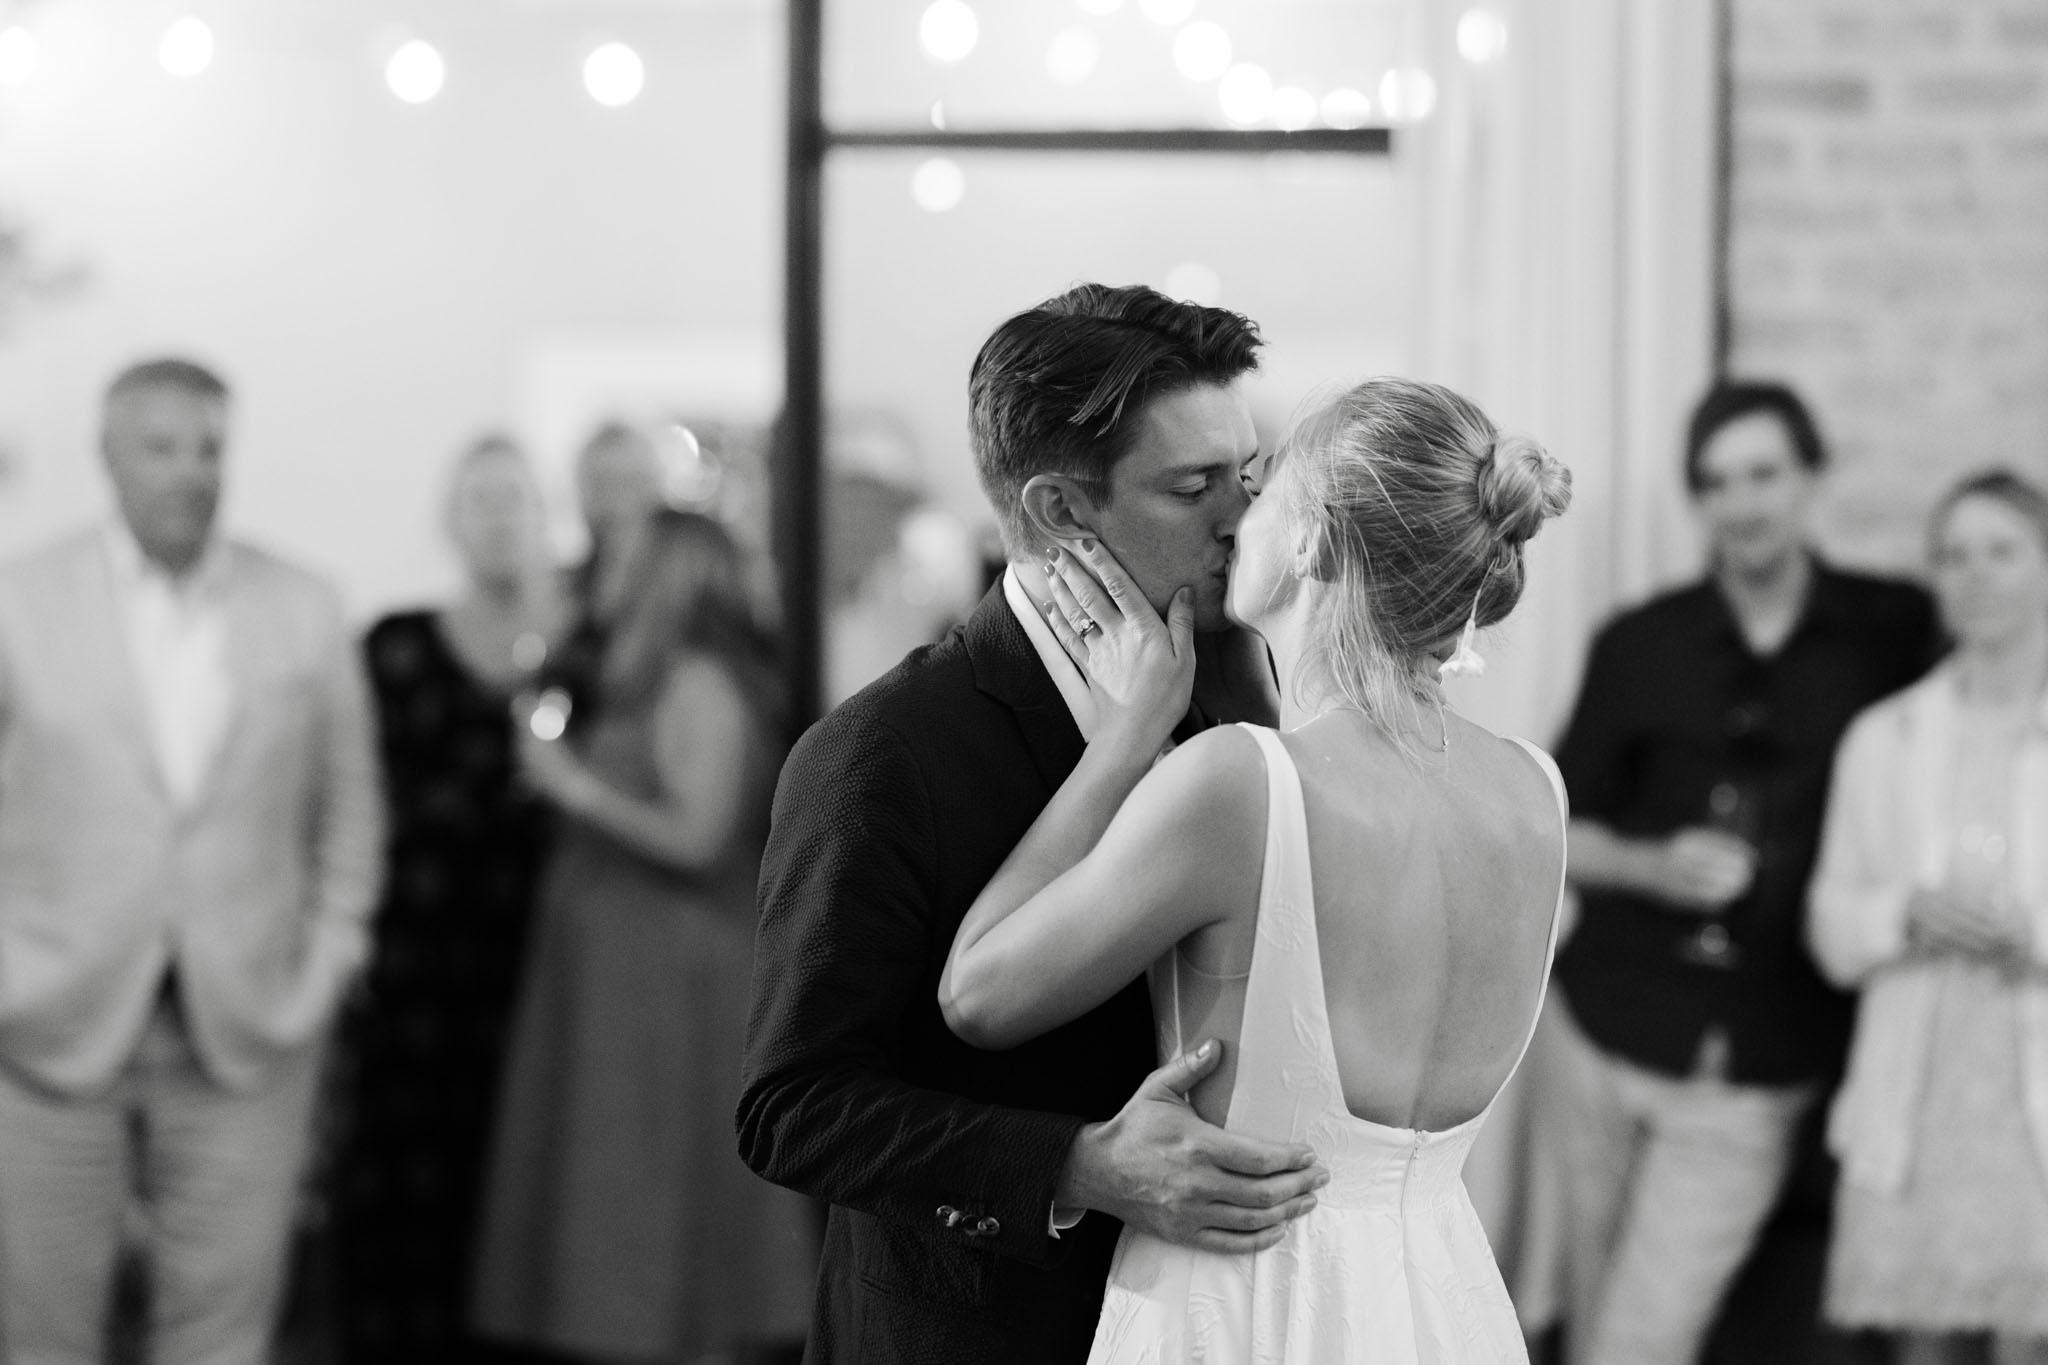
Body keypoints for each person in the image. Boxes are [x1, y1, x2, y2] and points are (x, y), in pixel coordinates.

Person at [739, 283, 1328, 1365]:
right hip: (965, 1333)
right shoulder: (881, 754)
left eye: (1243, 478)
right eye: (1191, 487)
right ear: (1061, 512)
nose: (1239, 520)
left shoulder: (1232, 708)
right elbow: (793, 1108)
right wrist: (1079, 1165)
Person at [939, 376, 1572, 1363]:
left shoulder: (1241, 780)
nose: (1234, 516)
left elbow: (977, 995)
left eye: (1262, 486)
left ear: (1313, 537)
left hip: (1251, 1303)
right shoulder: (1535, 790)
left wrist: (1123, 740)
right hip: (1441, 1305)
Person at [1547, 380, 1940, 1365]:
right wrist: (1648, 863)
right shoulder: (1638, 641)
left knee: (1638, 1342)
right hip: (1600, 1032)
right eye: (1714, 482)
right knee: (1588, 1314)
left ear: (1810, 478)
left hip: (1760, 1055)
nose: (1741, 502)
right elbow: (1550, 828)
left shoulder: (1892, 632)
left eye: (1762, 472)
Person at [0, 357, 383, 1364]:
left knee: (222, 1337)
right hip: (44, 1029)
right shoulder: (19, 601)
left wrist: (326, 962)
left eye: (209, 447)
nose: (188, 472)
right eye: (161, 447)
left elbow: (348, 809)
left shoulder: (304, 604)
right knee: (40, 1338)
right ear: (108, 456)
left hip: (249, 1030)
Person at [472, 507, 815, 1365]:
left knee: (666, 1200)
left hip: (673, 982)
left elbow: (699, 837)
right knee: (619, 1190)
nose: (604, 571)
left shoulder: (701, 680)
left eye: (622, 557)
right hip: (625, 978)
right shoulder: (646, 677)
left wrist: (570, 787)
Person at [331, 436, 568, 1362]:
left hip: (549, 960)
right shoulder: (392, 644)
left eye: (514, 497)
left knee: (532, 1175)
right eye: (478, 499)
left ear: (544, 513)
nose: (498, 516)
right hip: (421, 967)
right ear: (449, 519)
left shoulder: (590, 645)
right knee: (411, 1185)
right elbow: (346, 799)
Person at [1808, 470, 2048, 1365]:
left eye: (2001, 551)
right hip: (1915, 1094)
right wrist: (1904, 913)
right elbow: (1832, 928)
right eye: (1952, 556)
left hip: (2032, 1099)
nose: (1974, 575)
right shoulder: (1885, 736)